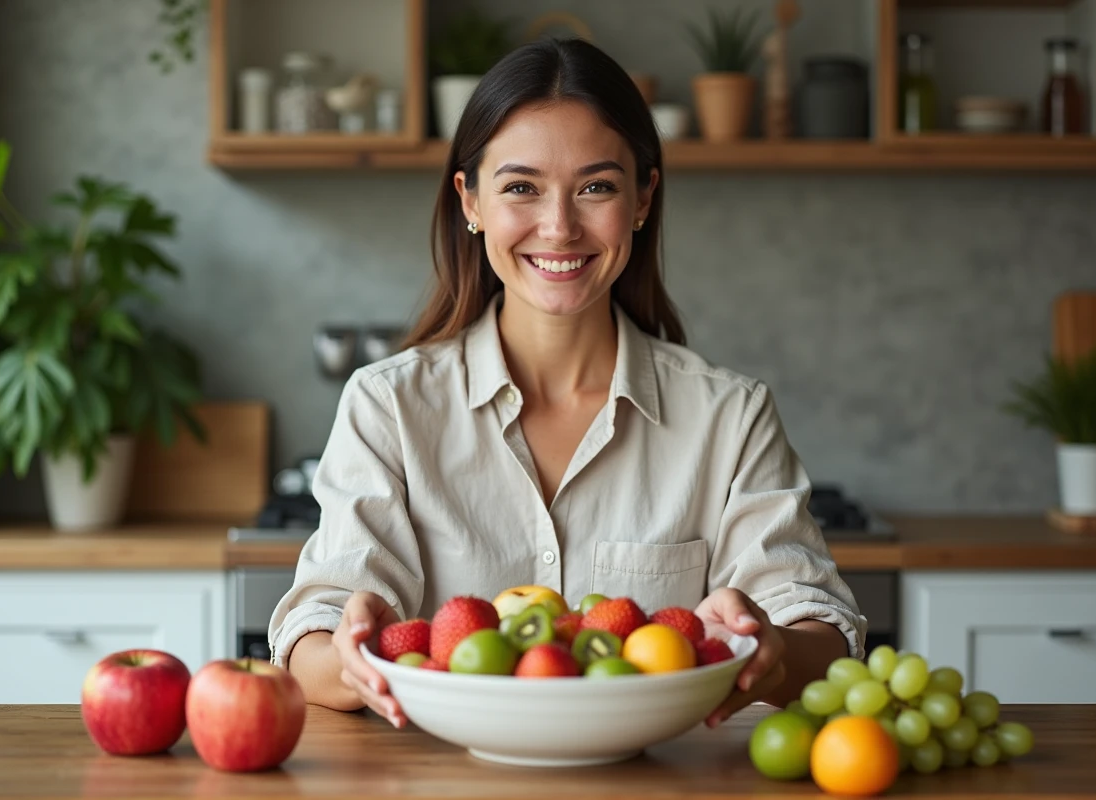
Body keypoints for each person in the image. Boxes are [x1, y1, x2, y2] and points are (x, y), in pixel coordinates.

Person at [268, 38, 866, 731]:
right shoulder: (389, 407)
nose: (558, 227)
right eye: (521, 187)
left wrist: (776, 650)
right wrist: (347, 652)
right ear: (470, 202)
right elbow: (314, 633)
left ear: (643, 197)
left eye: (596, 187)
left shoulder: (728, 416)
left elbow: (822, 634)